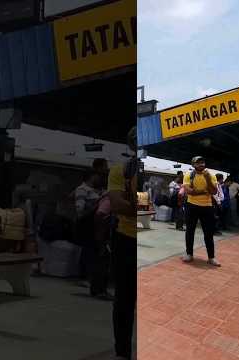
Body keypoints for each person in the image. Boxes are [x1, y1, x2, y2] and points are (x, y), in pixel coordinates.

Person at [108, 127, 137, 360]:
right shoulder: (121, 170)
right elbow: (118, 206)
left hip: (138, 238)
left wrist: (132, 205)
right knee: (125, 299)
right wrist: (139, 206)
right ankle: (122, 352)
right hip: (126, 240)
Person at [182, 156, 221, 266]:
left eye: (203, 162)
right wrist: (204, 191)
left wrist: (208, 179)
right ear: (193, 165)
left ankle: (211, 257)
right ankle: (189, 254)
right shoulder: (188, 175)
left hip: (207, 207)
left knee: (208, 233)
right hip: (191, 206)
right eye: (198, 162)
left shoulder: (211, 175)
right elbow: (190, 192)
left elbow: (213, 192)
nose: (201, 164)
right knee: (190, 231)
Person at [74, 169, 103, 290]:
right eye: (97, 176)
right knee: (87, 250)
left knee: (92, 251)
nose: (99, 178)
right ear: (91, 177)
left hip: (94, 224)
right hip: (86, 224)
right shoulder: (82, 190)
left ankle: (89, 277)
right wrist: (96, 205)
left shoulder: (95, 191)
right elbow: (80, 210)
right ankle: (83, 277)